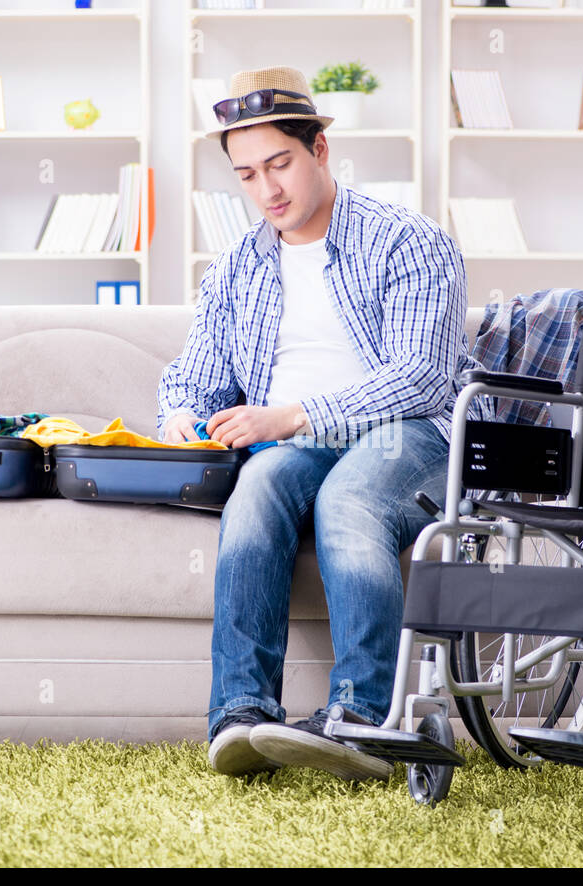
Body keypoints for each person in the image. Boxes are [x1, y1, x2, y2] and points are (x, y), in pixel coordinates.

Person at [157, 65, 480, 781]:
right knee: (257, 491)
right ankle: (241, 714)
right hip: (294, 440)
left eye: (280, 164)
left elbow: (422, 374)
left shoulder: (408, 241)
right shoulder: (237, 266)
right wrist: (179, 412)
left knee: (349, 497)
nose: (267, 190)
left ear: (320, 151)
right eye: (246, 175)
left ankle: (364, 718)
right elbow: (196, 373)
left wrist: (298, 411)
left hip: (409, 431)